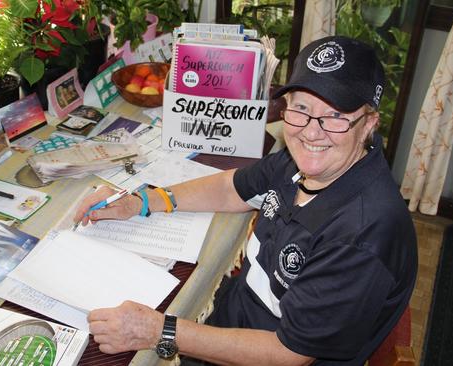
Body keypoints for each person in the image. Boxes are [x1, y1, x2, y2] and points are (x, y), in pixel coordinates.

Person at [73, 36, 418, 365]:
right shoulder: (304, 162)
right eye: (300, 108)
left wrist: (157, 331)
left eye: (335, 116)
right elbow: (232, 187)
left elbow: (289, 354)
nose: (312, 131)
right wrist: (143, 202)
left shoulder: (364, 233)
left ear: (369, 123)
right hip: (235, 313)